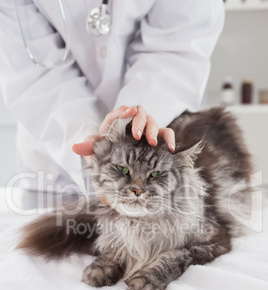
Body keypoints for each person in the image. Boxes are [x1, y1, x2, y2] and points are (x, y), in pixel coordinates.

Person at [0, 0, 224, 195]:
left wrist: (137, 116)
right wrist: (88, 141)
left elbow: (176, 47)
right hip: (53, 164)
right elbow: (36, 72)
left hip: (157, 158)